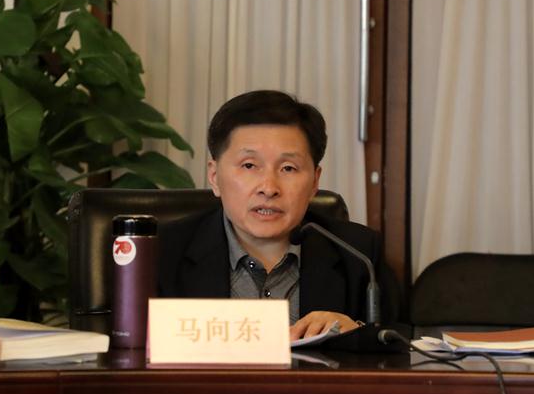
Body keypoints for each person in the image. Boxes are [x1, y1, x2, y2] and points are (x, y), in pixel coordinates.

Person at [158, 90, 394, 341]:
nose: (269, 188)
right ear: (214, 177)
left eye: (288, 168)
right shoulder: (160, 253)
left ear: (315, 181)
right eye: (249, 165)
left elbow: (401, 343)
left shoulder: (359, 255)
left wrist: (357, 333)